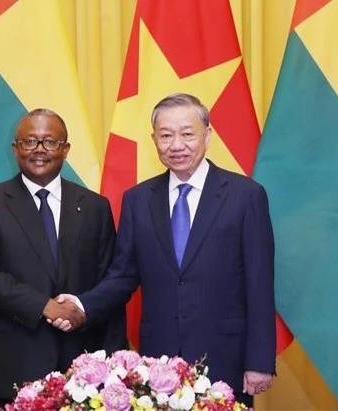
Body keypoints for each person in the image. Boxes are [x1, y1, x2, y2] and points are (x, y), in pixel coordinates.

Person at [54, 93, 276, 407]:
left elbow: (260, 283)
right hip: (158, 364)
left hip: (226, 357)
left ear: (208, 135)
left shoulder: (245, 196)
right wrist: (81, 303)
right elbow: (123, 275)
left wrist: (260, 360)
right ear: (154, 140)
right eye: (166, 135)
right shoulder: (138, 199)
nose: (176, 144)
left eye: (187, 134)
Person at [0, 108, 127, 410]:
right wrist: (45, 306)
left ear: (65, 149)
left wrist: (115, 362)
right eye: (30, 142)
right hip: (6, 367)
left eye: (49, 142)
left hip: (82, 370)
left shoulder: (95, 207)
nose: (39, 150)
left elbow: (110, 281)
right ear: (15, 149)